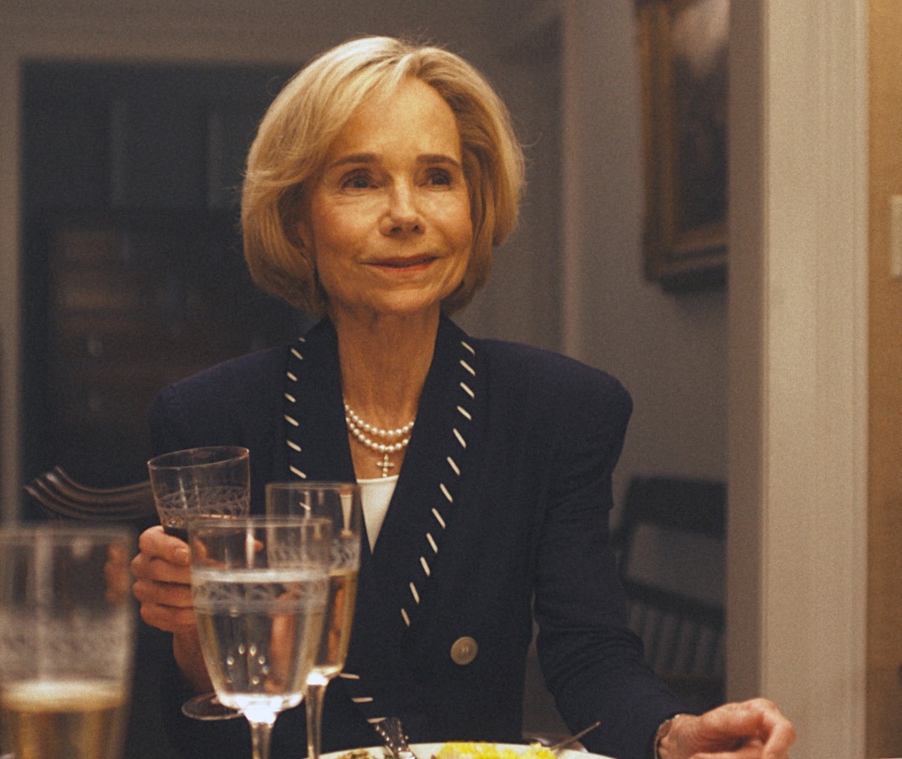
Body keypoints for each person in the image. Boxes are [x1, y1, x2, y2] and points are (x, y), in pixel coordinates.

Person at [130, 35, 796, 759]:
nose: (405, 213)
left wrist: (672, 735)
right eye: (360, 180)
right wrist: (194, 628)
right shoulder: (210, 416)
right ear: (297, 219)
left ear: (475, 206)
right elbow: (205, 717)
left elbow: (590, 654)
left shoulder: (562, 410)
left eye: (437, 177)